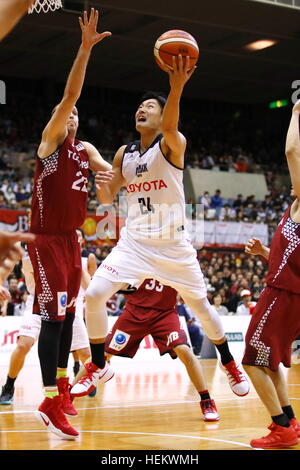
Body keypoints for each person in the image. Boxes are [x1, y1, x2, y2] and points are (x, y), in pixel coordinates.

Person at [71, 54, 249, 400]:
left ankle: (228, 361)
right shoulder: (125, 153)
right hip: (135, 244)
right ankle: (97, 364)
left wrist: (177, 86)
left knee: (201, 307)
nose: (142, 109)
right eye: (140, 106)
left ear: (162, 114)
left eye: (150, 106)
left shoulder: (172, 144)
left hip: (173, 246)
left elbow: (170, 126)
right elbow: (108, 199)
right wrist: (102, 183)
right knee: (93, 296)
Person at [26, 9, 112, 440]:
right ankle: (47, 398)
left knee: (70, 316)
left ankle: (61, 389)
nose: (72, 115)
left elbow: (106, 177)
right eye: (67, 112)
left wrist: (112, 176)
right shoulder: (50, 144)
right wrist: (84, 48)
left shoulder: (85, 149)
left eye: (77, 114)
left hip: (73, 242)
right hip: (45, 240)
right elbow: (70, 93)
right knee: (53, 322)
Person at [74, 279, 220, 422]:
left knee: (185, 350)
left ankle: (206, 401)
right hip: (134, 312)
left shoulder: (176, 258)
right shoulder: (137, 255)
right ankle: (68, 397)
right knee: (102, 354)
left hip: (165, 314)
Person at [241, 100, 300, 449]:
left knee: (252, 358)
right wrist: (266, 253)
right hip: (289, 292)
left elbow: (292, 150)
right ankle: (290, 422)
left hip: (283, 294)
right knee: (272, 360)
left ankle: (281, 429)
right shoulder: (292, 209)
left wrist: (294, 114)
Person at [0, 229, 94, 408]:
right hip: (37, 300)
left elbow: (83, 277)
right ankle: (9, 386)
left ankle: (71, 391)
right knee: (23, 345)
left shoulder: (64, 241)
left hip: (66, 304)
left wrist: (95, 297)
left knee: (86, 355)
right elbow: (6, 266)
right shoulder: (23, 243)